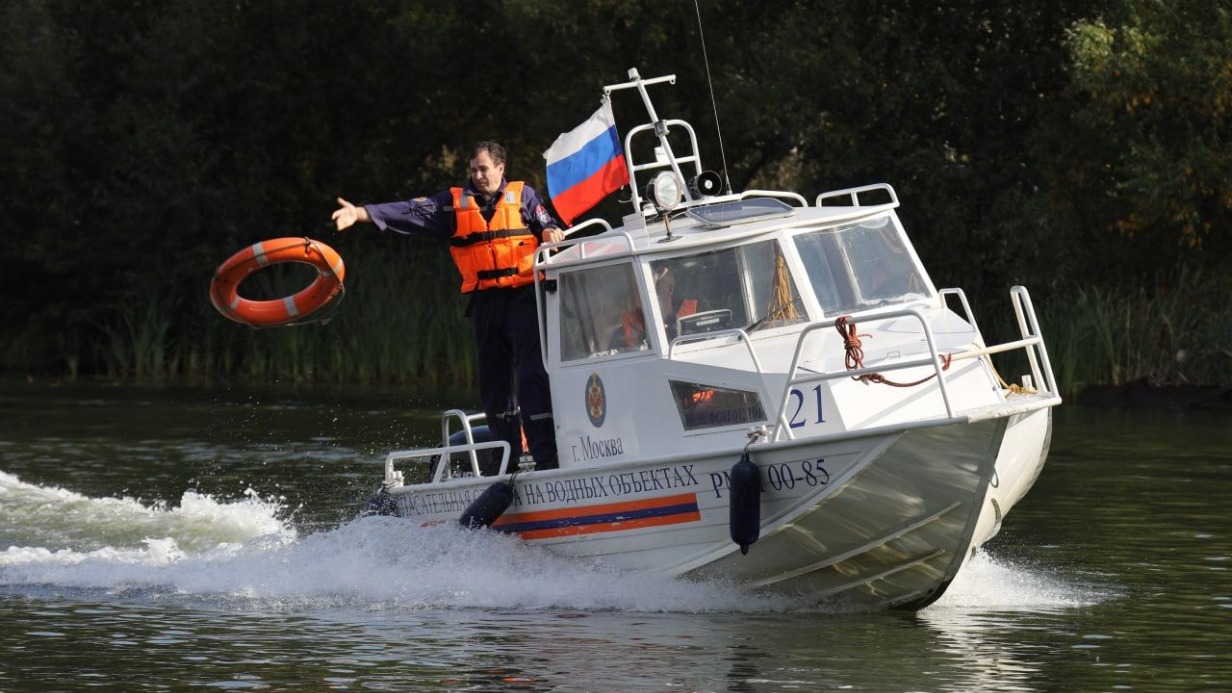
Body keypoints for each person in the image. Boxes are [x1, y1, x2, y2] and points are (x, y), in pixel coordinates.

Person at [332, 141, 563, 471]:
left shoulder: (524, 196)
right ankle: (505, 460)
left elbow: (547, 222)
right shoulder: (453, 205)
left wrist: (552, 231)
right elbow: (409, 211)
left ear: (500, 168)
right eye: (473, 170)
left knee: (531, 376)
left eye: (484, 169)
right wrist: (360, 213)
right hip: (484, 302)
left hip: (524, 298)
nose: (479, 176)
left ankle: (547, 459)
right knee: (494, 382)